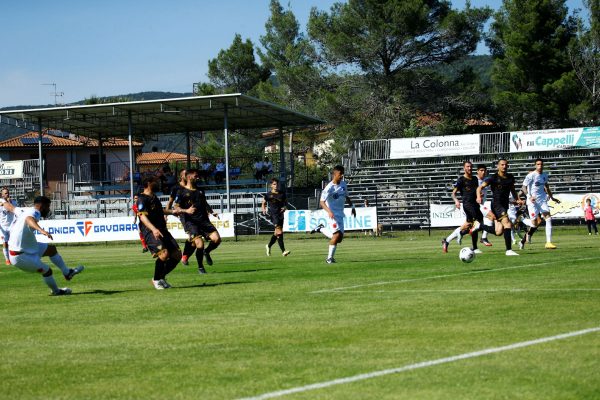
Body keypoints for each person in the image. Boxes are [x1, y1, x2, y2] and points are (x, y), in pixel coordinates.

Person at [2, 196, 84, 295]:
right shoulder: (35, 212)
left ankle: (67, 273)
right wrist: (41, 230)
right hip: (20, 257)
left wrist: (2, 201)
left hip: (25, 249)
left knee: (51, 249)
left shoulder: (24, 210)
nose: (48, 209)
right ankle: (56, 291)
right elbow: (29, 219)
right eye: (48, 207)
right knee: (47, 271)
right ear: (42, 206)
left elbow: (10, 207)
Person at [137, 176, 190, 289]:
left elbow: (160, 210)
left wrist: (172, 212)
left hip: (162, 230)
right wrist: (154, 229)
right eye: (155, 181)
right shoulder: (142, 199)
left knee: (176, 255)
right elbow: (142, 217)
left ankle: (161, 277)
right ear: (148, 183)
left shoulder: (154, 197)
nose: (157, 182)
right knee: (164, 253)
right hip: (150, 231)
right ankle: (156, 280)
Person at [174, 169, 221, 274]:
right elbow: (176, 207)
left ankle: (206, 252)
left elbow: (204, 203)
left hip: (204, 220)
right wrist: (186, 210)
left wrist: (211, 211)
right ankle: (200, 267)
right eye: (196, 176)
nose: (198, 178)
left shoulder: (200, 190)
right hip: (191, 222)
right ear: (189, 177)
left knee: (217, 239)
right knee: (199, 244)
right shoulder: (181, 192)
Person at [311, 165, 356, 264]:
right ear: (334, 174)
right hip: (332, 215)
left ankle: (321, 229)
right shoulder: (329, 188)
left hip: (340, 214)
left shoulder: (343, 184)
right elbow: (322, 202)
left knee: (339, 239)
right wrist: (329, 211)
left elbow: (346, 196)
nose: (342, 176)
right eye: (340, 174)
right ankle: (329, 258)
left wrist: (352, 207)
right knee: (336, 235)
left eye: (343, 174)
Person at [476, 158, 522, 256]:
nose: (504, 166)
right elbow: (480, 187)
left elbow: (513, 190)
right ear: (498, 166)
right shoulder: (493, 178)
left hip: (504, 205)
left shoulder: (510, 177)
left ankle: (479, 226)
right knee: (508, 224)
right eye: (502, 165)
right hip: (497, 205)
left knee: (498, 231)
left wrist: (518, 199)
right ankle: (508, 250)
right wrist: (479, 196)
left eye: (505, 165)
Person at [441, 161, 486, 254]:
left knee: (470, 225)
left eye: (471, 167)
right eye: (467, 166)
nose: (469, 168)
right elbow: (453, 193)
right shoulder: (461, 180)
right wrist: (456, 201)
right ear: (464, 168)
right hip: (467, 205)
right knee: (477, 224)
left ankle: (448, 240)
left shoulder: (474, 179)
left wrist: (479, 195)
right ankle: (474, 247)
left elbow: (476, 190)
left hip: (475, 205)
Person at [518, 159, 561, 250]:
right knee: (534, 224)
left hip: (542, 200)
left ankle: (548, 242)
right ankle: (522, 219)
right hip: (532, 202)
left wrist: (552, 198)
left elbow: (547, 187)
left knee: (548, 218)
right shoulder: (531, 175)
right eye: (538, 164)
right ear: (535, 165)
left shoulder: (545, 175)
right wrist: (529, 196)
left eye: (541, 164)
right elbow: (523, 187)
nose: (540, 166)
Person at [166, 169, 195, 266]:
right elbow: (170, 202)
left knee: (195, 239)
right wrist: (166, 215)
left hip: (195, 214)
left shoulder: (192, 186)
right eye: (186, 174)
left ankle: (185, 256)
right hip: (183, 214)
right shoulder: (176, 188)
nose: (188, 176)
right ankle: (185, 256)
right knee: (193, 236)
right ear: (182, 176)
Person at [262, 178, 290, 257]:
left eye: (277, 184)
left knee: (277, 233)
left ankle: (268, 246)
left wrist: (285, 207)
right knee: (279, 232)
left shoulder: (282, 194)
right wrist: (263, 209)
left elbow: (286, 203)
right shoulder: (268, 194)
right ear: (271, 185)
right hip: (273, 215)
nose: (276, 185)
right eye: (274, 184)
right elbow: (263, 203)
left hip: (281, 214)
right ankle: (283, 251)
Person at [0, 187, 17, 265]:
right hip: (3, 226)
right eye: (6, 193)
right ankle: (7, 260)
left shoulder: (13, 202)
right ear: (2, 195)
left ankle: (13, 258)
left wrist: (9, 203)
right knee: (5, 243)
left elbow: (14, 211)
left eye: (8, 192)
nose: (7, 194)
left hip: (11, 226)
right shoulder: (0, 202)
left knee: (13, 242)